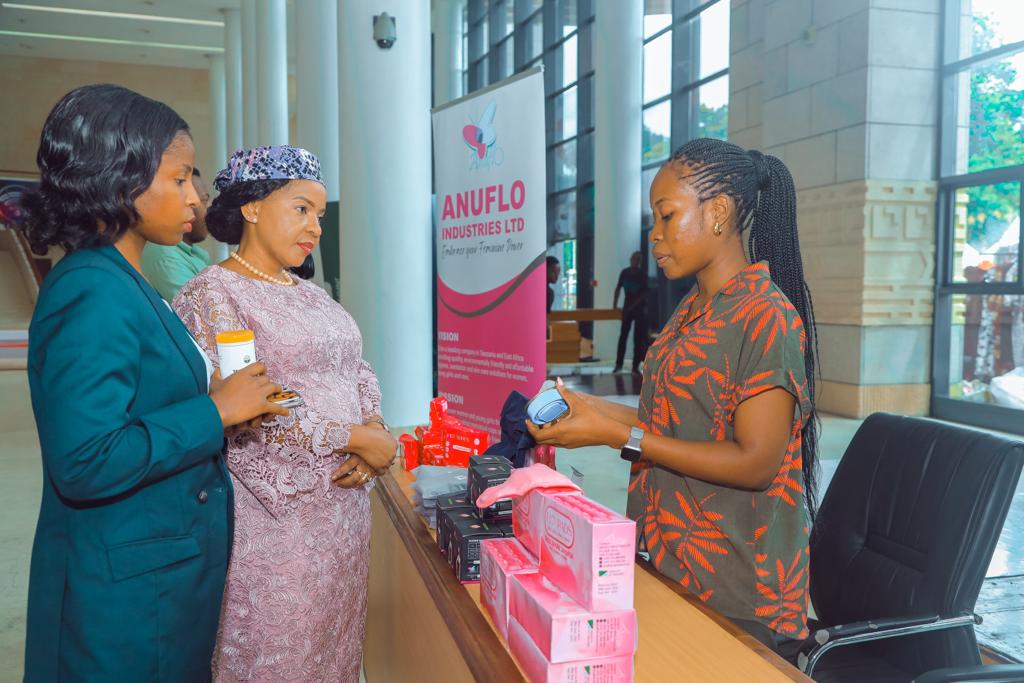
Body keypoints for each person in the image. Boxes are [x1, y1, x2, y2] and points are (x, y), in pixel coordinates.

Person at [19, 84, 287, 682]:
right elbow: (86, 459)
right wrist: (215, 412)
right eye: (180, 178)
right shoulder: (91, 289)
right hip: (125, 598)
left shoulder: (124, 279)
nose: (195, 196)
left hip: (155, 573)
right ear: (121, 180)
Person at [528, 138, 820, 651]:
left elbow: (756, 463)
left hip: (737, 590)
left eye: (667, 217)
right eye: (653, 219)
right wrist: (591, 409)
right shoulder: (692, 310)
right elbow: (672, 418)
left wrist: (621, 435)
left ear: (720, 213)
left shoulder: (766, 317)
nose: (655, 235)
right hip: (667, 561)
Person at [172, 146, 398, 682]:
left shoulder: (312, 296)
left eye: (319, 214)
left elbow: (358, 369)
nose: (315, 227)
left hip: (343, 514)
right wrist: (354, 439)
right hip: (277, 528)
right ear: (251, 207)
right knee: (280, 657)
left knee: (333, 654)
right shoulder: (214, 294)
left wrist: (375, 436)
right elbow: (252, 406)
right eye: (301, 209)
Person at [141, 167, 213, 301]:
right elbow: (202, 316)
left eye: (207, 199)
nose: (209, 207)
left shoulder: (191, 253)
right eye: (203, 200)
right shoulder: (166, 258)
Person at [613, 250, 649, 374]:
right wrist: (615, 305)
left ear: (640, 263)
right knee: (623, 336)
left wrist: (632, 307)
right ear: (630, 260)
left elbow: (644, 295)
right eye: (634, 259)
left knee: (637, 339)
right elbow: (618, 288)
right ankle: (618, 364)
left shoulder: (642, 275)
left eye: (638, 260)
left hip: (638, 310)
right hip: (627, 308)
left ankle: (635, 366)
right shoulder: (625, 273)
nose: (635, 262)